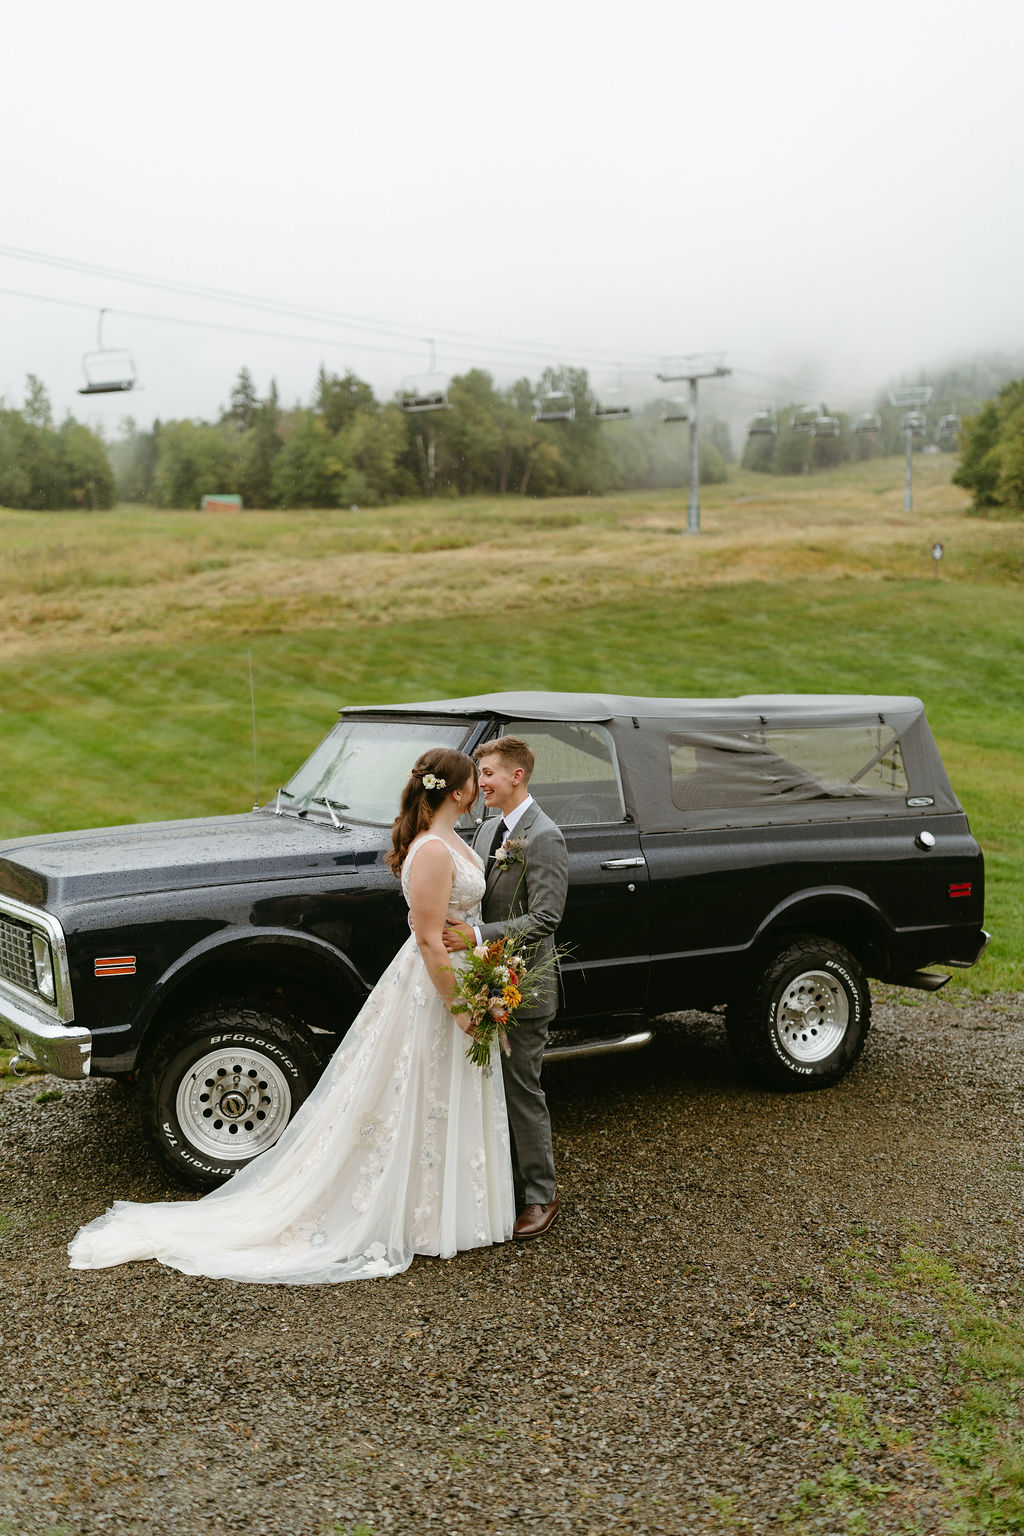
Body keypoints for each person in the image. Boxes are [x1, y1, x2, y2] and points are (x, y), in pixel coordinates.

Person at [68, 748, 515, 1284]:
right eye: (475, 780)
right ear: (460, 790)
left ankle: (446, 1212)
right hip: (437, 987)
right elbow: (425, 938)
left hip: (466, 973)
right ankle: (413, 1215)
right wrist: (463, 1007)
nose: (479, 788)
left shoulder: (452, 841)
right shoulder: (434, 852)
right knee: (418, 1091)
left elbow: (458, 923)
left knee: (441, 1094)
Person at [442, 736, 568, 1239]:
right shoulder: (490, 828)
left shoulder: (545, 837)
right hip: (482, 980)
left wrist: (476, 935)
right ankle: (498, 1185)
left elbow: (546, 917)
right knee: (483, 1089)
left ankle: (541, 1195)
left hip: (524, 987)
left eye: (488, 773)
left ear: (517, 775)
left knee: (521, 1090)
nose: (481, 784)